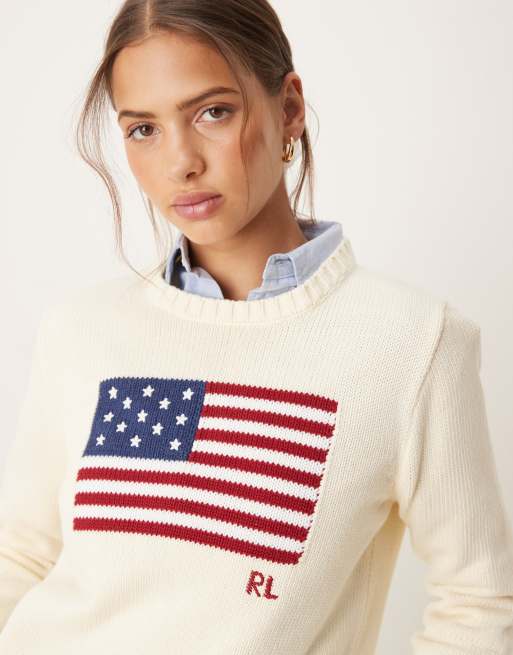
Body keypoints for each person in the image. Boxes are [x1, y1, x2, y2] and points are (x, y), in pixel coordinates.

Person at [1, 1, 513, 653]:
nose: (181, 162)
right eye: (143, 129)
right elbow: (21, 554)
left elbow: (477, 600)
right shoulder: (82, 330)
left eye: (212, 112)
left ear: (289, 108)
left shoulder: (413, 342)